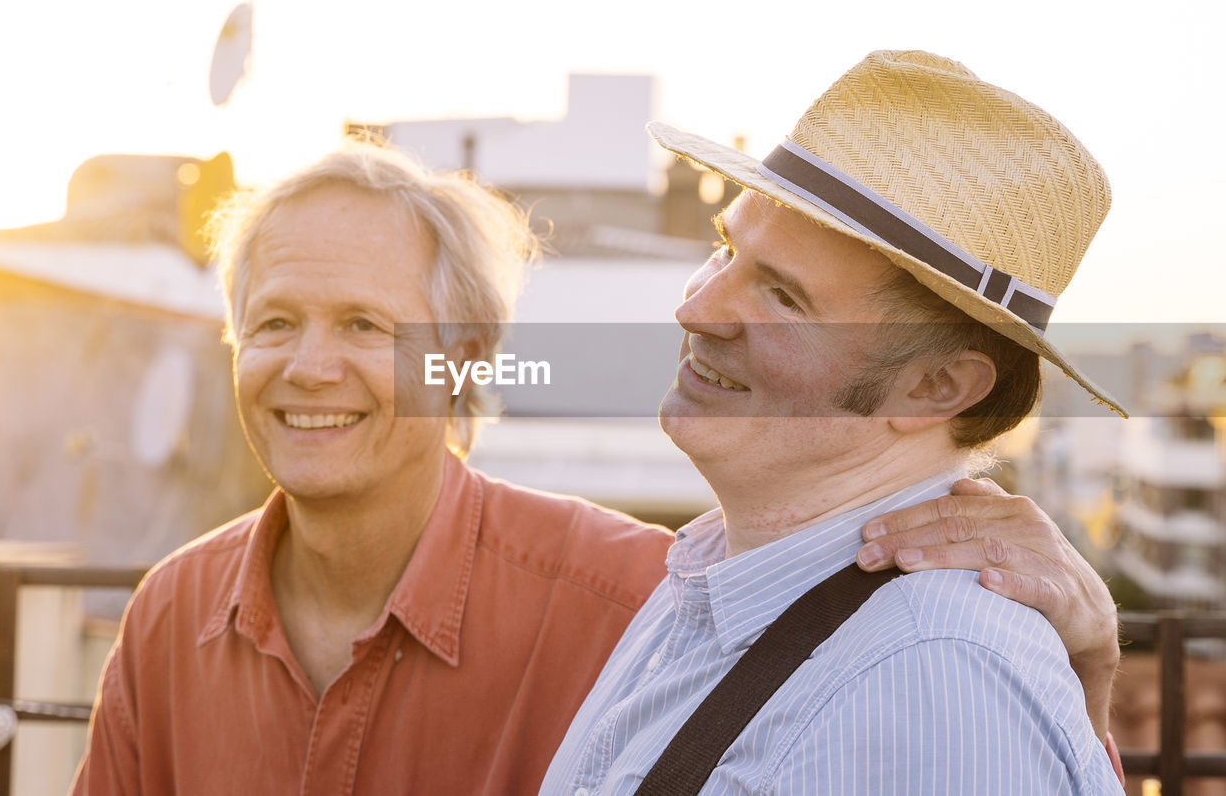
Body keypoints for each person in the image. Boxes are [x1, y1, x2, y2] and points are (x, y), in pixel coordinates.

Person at [72, 120, 1120, 794]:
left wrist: (1069, 687)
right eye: (722, 252)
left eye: (363, 325)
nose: (696, 304)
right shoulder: (691, 595)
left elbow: (970, 729)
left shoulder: (627, 593)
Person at [542, 50, 1126, 794]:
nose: (697, 309)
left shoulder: (932, 679)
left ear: (934, 385)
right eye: (726, 249)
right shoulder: (721, 575)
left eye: (784, 297)